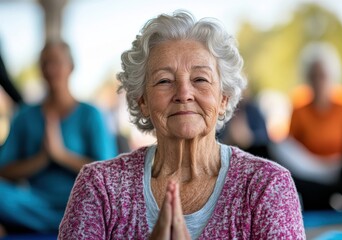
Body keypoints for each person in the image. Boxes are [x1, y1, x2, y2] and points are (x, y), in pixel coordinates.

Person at [59, 10, 305, 239]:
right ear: (142, 100)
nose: (184, 93)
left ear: (223, 98)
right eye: (164, 81)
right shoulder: (100, 187)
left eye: (200, 79)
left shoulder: (267, 186)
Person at [0, 40, 117, 234]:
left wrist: (61, 155)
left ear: (71, 66)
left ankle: (69, 223)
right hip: (34, 203)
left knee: (101, 206)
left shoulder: (91, 114)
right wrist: (41, 159)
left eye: (56, 62)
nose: (50, 69)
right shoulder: (24, 116)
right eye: (45, 63)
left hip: (82, 203)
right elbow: (3, 170)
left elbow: (108, 173)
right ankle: (67, 226)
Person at [269, 42, 342, 210]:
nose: (318, 81)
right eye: (313, 76)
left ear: (332, 76)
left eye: (322, 76)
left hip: (341, 170)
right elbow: (290, 147)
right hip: (310, 173)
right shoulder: (299, 108)